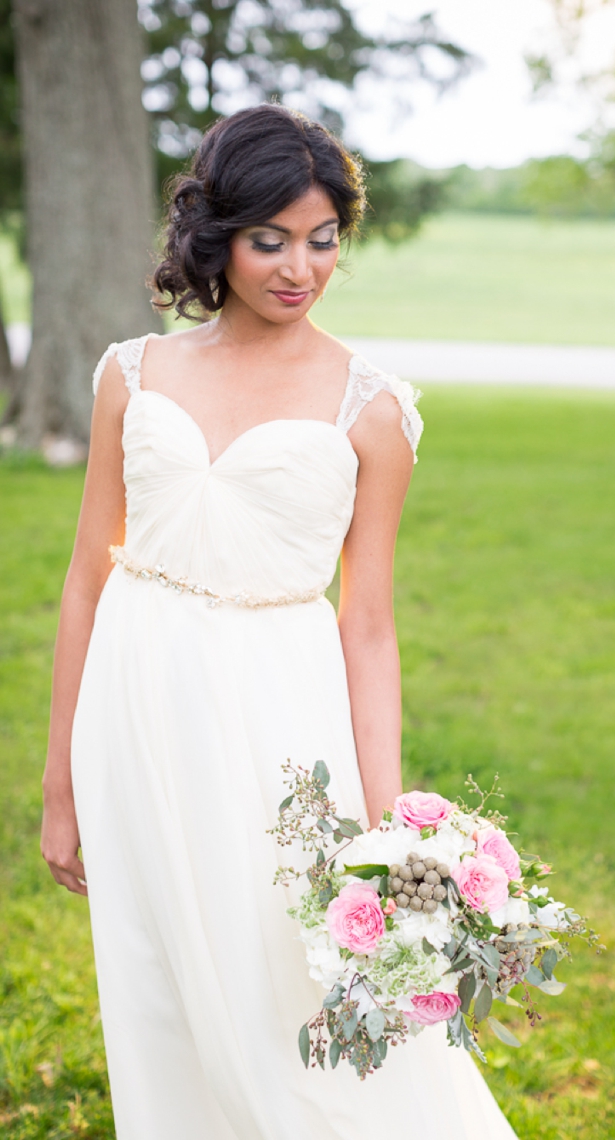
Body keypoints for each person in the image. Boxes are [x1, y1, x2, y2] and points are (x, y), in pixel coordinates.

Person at [40, 104, 518, 1140]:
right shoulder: (132, 374)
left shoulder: (372, 409)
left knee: (291, 988)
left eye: (323, 238)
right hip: (135, 702)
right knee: (156, 986)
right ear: (216, 236)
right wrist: (59, 779)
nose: (300, 267)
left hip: (277, 715)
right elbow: (86, 577)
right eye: (271, 240)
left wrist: (389, 827)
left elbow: (371, 624)